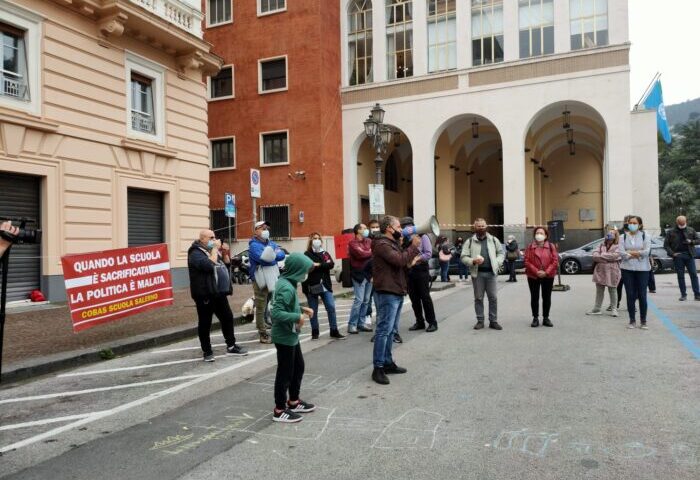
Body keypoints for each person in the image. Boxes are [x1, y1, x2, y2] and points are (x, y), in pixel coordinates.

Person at [370, 216, 421, 385]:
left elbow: (402, 263)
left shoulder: (392, 243)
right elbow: (399, 260)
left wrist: (407, 249)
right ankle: (378, 368)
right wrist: (413, 247)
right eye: (398, 226)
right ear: (389, 228)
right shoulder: (382, 244)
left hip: (396, 289)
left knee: (391, 330)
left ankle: (387, 362)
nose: (402, 229)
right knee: (384, 330)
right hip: (387, 291)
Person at [187, 229, 248, 362]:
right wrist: (215, 249)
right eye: (211, 238)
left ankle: (231, 346)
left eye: (214, 238)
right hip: (205, 293)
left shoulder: (212, 252)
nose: (214, 240)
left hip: (218, 292)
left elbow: (224, 265)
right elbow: (208, 265)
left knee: (227, 317)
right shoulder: (195, 252)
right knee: (205, 322)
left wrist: (225, 253)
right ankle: (207, 351)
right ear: (202, 239)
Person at [270, 253, 316, 423]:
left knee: (298, 367)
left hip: (291, 335)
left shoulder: (288, 282)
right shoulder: (286, 287)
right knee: (285, 372)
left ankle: (294, 401)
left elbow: (289, 304)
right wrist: (297, 318)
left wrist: (303, 310)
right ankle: (280, 409)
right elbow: (276, 313)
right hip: (284, 336)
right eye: (305, 270)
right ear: (297, 269)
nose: (306, 274)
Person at [461, 218, 505, 330]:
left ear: (486, 226)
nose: (481, 228)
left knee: (493, 298)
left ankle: (493, 321)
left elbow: (501, 253)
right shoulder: (470, 241)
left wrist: (497, 262)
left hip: (491, 274)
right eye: (478, 226)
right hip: (478, 274)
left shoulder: (493, 240)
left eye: (483, 226)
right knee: (479, 298)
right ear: (474, 227)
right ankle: (480, 321)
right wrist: (473, 261)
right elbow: (463, 257)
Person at [301, 233, 345, 340]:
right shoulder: (306, 254)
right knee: (313, 310)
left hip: (325, 285)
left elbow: (331, 264)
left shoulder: (325, 253)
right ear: (311, 241)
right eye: (314, 238)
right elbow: (309, 266)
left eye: (318, 238)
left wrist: (319, 265)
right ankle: (315, 332)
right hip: (312, 286)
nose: (317, 240)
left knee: (331, 307)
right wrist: (320, 265)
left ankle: (334, 330)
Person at [249, 221, 287, 344]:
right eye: (262, 228)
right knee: (261, 306)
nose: (265, 230)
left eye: (266, 228)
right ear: (255, 231)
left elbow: (281, 255)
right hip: (261, 278)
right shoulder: (254, 245)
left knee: (274, 302)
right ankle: (262, 333)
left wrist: (272, 256)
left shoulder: (271, 243)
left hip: (272, 276)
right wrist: (273, 256)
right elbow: (263, 259)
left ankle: (275, 327)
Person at [401, 217, 438, 333]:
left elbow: (428, 253)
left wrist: (417, 259)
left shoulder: (422, 236)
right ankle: (420, 321)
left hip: (420, 269)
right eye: (404, 226)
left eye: (409, 226)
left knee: (425, 297)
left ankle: (432, 322)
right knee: (414, 298)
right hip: (409, 270)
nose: (407, 228)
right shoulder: (403, 239)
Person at [618, 216, 652, 329]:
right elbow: (622, 253)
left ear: (640, 225)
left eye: (634, 223)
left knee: (642, 295)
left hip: (643, 269)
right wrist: (637, 253)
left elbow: (646, 252)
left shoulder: (645, 236)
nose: (632, 224)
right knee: (630, 295)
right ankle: (632, 320)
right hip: (627, 269)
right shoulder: (622, 237)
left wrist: (631, 253)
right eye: (630, 223)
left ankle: (643, 321)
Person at [524, 227, 559, 328]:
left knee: (546, 297)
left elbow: (555, 261)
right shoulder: (530, 247)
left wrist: (546, 272)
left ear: (546, 236)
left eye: (541, 233)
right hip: (533, 275)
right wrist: (536, 271)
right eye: (537, 233)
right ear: (534, 235)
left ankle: (546, 318)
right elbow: (526, 261)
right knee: (534, 297)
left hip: (548, 275)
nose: (539, 235)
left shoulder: (551, 246)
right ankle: (535, 318)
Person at [587, 227, 622, 317]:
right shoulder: (601, 244)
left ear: (615, 236)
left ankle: (614, 309)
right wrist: (607, 258)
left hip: (612, 271)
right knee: (599, 291)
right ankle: (597, 309)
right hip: (600, 270)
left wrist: (602, 255)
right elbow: (594, 255)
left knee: (612, 290)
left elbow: (617, 256)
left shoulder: (619, 245)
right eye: (608, 233)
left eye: (612, 233)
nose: (609, 234)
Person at [664, 215, 700, 301]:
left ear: (686, 222)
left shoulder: (691, 230)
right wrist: (672, 254)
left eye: (684, 223)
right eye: (680, 223)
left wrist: (691, 241)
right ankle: (683, 295)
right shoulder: (671, 231)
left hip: (689, 255)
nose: (682, 225)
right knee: (680, 276)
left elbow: (698, 240)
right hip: (678, 256)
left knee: (694, 275)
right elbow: (666, 245)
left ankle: (697, 294)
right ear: (677, 222)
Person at [347, 223, 373, 334]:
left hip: (369, 274)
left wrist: (368, 252)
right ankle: (352, 324)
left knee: (366, 300)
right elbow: (360, 255)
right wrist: (370, 252)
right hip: (358, 274)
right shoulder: (352, 243)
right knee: (359, 300)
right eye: (364, 228)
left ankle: (361, 323)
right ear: (358, 231)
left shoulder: (369, 241)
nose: (366, 230)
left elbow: (371, 253)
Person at [364, 219, 381, 328]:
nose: (375, 229)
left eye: (377, 227)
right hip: (369, 273)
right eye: (373, 227)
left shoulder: (381, 238)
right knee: (368, 297)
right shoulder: (366, 240)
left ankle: (380, 317)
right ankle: (368, 315)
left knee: (378, 298)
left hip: (379, 273)